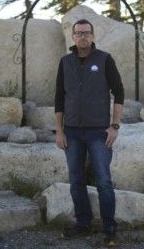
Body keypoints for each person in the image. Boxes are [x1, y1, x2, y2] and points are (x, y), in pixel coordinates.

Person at [54, 18, 124, 245]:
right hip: (72, 132)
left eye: (86, 33)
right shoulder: (65, 62)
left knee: (103, 180)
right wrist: (59, 131)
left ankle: (109, 227)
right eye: (78, 33)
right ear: (73, 37)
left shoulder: (104, 60)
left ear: (93, 36)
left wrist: (114, 126)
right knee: (76, 180)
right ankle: (83, 224)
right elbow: (58, 98)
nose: (83, 36)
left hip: (98, 132)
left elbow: (119, 92)